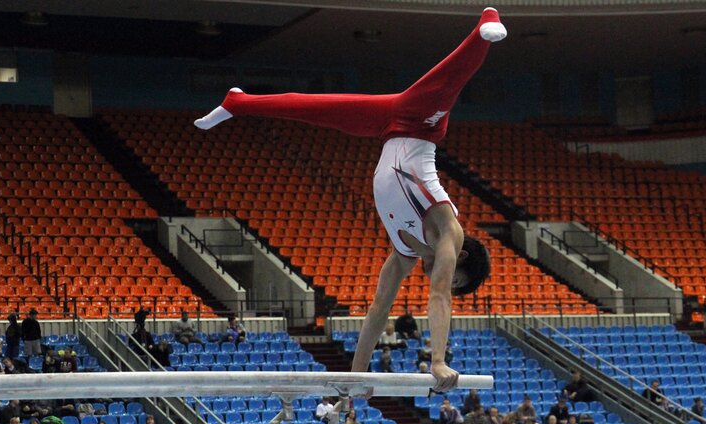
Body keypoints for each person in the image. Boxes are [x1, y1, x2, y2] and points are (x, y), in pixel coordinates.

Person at [196, 9, 505, 393]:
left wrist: (358, 377)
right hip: (421, 123)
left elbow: (377, 312)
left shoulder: (402, 254)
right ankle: (484, 25)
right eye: (456, 277)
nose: (443, 279)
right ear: (459, 259)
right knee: (451, 80)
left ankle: (238, 102)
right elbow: (440, 296)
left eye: (452, 281)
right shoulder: (448, 233)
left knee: (311, 108)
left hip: (388, 124)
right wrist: (437, 361)